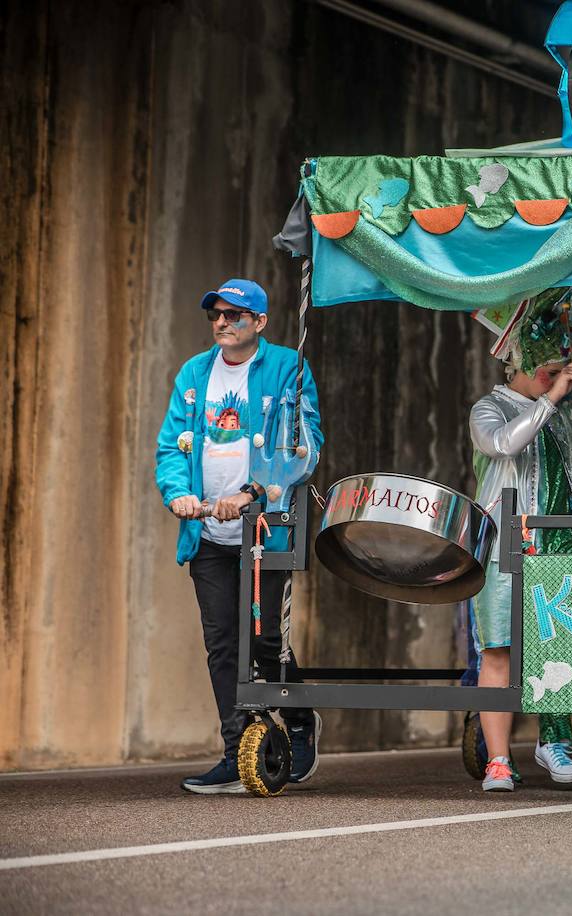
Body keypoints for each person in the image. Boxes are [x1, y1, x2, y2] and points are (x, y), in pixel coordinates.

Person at [155, 278, 324, 794]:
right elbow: (169, 448)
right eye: (216, 315)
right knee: (222, 644)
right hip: (206, 533)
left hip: (263, 531)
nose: (223, 323)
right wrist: (177, 494)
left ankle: (297, 717)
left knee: (266, 640)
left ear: (261, 322)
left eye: (235, 315)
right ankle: (235, 750)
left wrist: (255, 490)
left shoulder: (287, 368)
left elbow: (306, 445)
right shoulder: (193, 373)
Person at [469, 288, 572, 792]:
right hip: (503, 546)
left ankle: (553, 741)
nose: (559, 380)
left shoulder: (555, 416)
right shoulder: (488, 409)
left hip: (558, 547)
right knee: (499, 651)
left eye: (563, 371)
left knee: (556, 647)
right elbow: (504, 444)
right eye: (551, 371)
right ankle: (497, 759)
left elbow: (569, 479)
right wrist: (551, 401)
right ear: (525, 365)